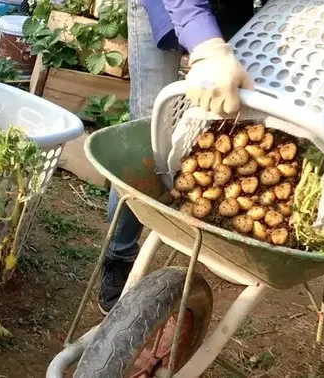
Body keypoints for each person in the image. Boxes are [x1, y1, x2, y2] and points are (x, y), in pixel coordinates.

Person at [99, 0, 257, 314]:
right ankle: (119, 254)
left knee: (228, 121)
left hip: (232, 10)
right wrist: (207, 47)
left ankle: (217, 232)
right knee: (148, 130)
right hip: (165, 5)